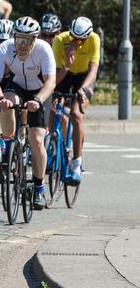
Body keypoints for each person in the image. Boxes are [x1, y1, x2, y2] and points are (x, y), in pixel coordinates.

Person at [0, 16, 56, 210]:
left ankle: (39, 187)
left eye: (27, 40)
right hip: (16, 85)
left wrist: (37, 100)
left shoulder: (44, 49)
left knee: (36, 140)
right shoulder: (4, 48)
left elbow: (50, 81)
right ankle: (9, 144)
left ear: (35, 40)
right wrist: (1, 99)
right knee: (8, 104)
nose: (22, 45)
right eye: (19, 39)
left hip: (40, 91)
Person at [51, 16, 100, 185]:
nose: (76, 42)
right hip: (64, 75)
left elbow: (93, 72)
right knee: (54, 109)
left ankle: (77, 164)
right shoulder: (59, 40)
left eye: (81, 40)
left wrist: (84, 88)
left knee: (76, 114)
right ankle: (54, 148)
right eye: (73, 37)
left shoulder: (94, 39)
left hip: (83, 78)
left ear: (88, 36)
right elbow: (55, 78)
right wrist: (66, 60)